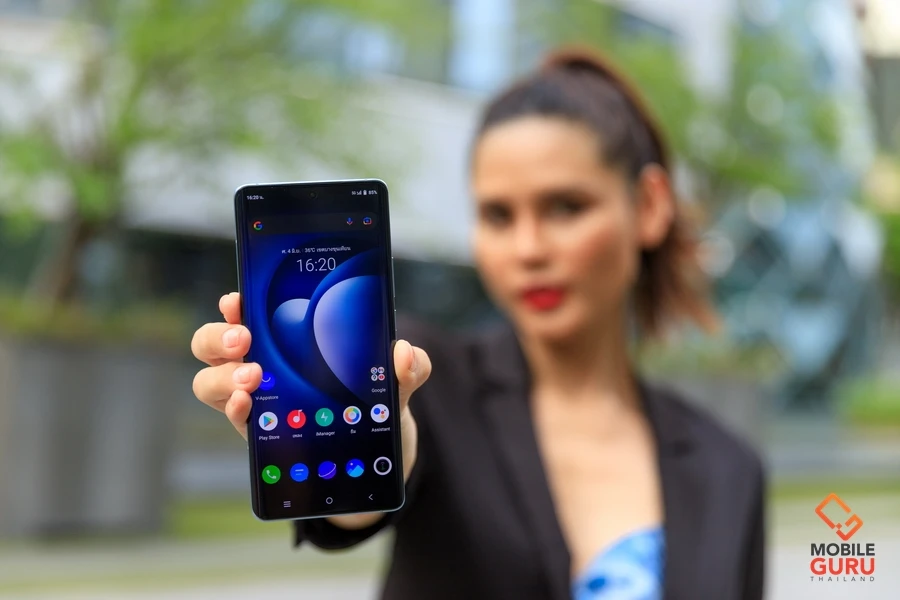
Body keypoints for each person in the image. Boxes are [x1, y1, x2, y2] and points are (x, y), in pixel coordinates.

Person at [191, 47, 766, 600]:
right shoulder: (428, 380)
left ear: (649, 206)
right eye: (497, 215)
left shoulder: (728, 469)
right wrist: (371, 444)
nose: (528, 248)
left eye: (566, 207)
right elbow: (356, 507)